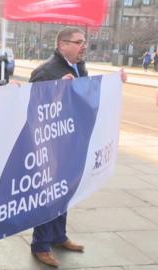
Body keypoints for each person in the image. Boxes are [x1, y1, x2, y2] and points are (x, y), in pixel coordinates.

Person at [29, 26, 126, 268]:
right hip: (52, 147)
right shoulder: (45, 72)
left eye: (85, 41)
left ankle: (59, 236)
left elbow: (87, 95)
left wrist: (114, 82)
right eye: (78, 42)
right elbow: (33, 108)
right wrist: (57, 89)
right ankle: (40, 245)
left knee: (66, 192)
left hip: (72, 143)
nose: (84, 46)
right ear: (62, 44)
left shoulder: (78, 67)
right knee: (50, 197)